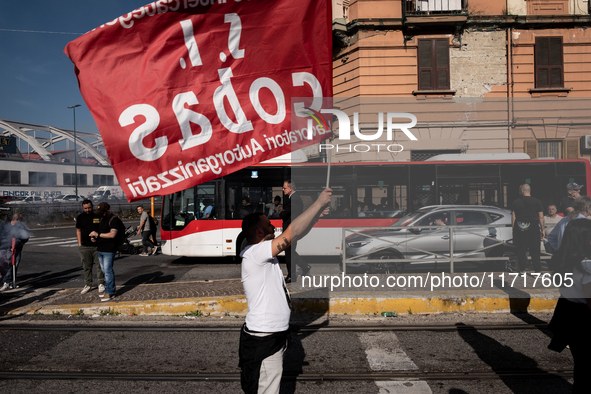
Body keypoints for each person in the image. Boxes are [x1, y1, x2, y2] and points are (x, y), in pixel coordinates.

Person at [238, 188, 332, 394]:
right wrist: (316, 204)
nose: (273, 225)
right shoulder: (254, 253)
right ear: (259, 232)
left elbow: (296, 235)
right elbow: (292, 233)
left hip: (273, 335)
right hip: (264, 337)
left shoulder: (264, 253)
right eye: (268, 224)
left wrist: (315, 217)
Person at [547, 219, 591, 393]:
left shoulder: (562, 260)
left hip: (568, 314)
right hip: (584, 320)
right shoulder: (586, 265)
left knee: (581, 365)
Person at [89, 202, 123, 302]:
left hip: (109, 249)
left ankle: (110, 292)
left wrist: (98, 235)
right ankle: (109, 289)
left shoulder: (114, 219)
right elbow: (99, 232)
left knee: (108, 271)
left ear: (107, 211)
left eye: (102, 213)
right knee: (104, 270)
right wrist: (94, 238)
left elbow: (112, 234)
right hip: (100, 248)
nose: (100, 214)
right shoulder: (101, 218)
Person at [279, 179, 311, 283]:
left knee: (289, 253)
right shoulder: (293, 198)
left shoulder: (294, 199)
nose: (283, 189)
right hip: (292, 229)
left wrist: (281, 211)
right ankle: (304, 266)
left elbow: (284, 214)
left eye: (284, 187)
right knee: (290, 252)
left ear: (290, 188)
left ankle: (292, 276)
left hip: (291, 230)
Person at [511, 184, 544, 272]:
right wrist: (543, 229)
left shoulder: (515, 202)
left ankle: (522, 270)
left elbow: (513, 217)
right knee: (535, 250)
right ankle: (537, 270)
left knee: (521, 250)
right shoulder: (537, 202)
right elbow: (541, 217)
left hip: (520, 227)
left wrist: (514, 229)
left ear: (521, 191)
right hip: (533, 227)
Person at [76, 200, 105, 295]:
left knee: (100, 266)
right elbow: (78, 230)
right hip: (85, 246)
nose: (87, 210)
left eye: (89, 207)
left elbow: (102, 229)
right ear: (82, 208)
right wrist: (80, 244)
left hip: (97, 246)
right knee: (86, 267)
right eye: (85, 208)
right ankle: (88, 284)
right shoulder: (80, 217)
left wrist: (98, 237)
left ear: (92, 206)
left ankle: (101, 283)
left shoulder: (98, 217)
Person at [0, 214, 30, 291]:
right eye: (20, 220)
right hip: (6, 249)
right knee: (8, 265)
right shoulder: (5, 226)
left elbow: (26, 234)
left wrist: (22, 242)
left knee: (15, 265)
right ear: (16, 220)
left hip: (17, 249)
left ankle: (12, 281)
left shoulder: (20, 227)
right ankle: (6, 281)